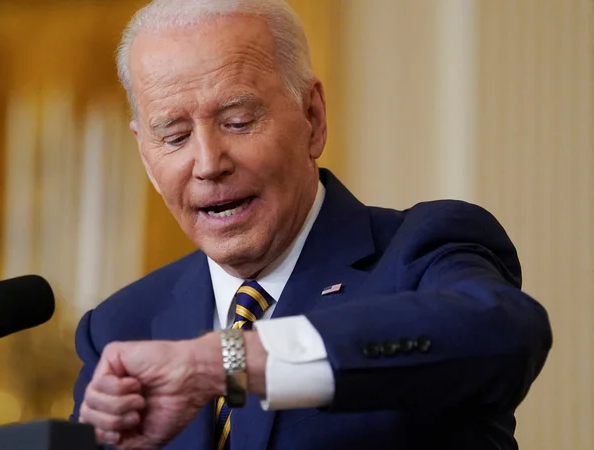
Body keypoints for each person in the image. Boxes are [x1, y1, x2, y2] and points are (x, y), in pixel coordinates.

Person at [70, 0, 552, 449]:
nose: (208, 163)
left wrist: (221, 362)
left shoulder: (421, 251)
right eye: (174, 137)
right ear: (146, 157)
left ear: (313, 117)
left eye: (237, 121)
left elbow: (503, 336)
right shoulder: (120, 328)